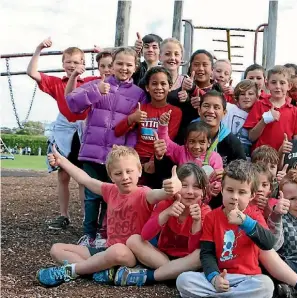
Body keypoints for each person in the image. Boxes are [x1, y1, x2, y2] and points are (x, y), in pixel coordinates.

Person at [36, 145, 182, 287]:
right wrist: (62, 161)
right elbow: (85, 179)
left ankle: (72, 271)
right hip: (108, 250)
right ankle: (102, 271)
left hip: (130, 254)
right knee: (57, 249)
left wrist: (173, 186)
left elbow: (162, 193)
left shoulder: (145, 193)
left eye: (129, 171)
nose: (125, 177)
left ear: (139, 171)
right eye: (118, 173)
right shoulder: (110, 190)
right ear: (111, 176)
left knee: (117, 250)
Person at [66, 47, 147, 247]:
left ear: (135, 68)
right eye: (119, 63)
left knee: (112, 196)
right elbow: (72, 104)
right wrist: (95, 92)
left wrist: (131, 154)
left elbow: (136, 127)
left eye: (129, 65)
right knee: (92, 196)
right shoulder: (96, 85)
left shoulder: (139, 94)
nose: (124, 68)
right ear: (112, 66)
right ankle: (88, 234)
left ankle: (105, 234)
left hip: (117, 156)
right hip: (93, 152)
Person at [176, 160, 275, 298]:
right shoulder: (212, 217)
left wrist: (245, 222)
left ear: (251, 195)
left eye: (241, 192)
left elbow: (269, 243)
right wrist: (215, 278)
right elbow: (206, 253)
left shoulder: (254, 215)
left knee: (266, 285)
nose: (234, 197)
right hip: (220, 277)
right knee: (184, 280)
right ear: (222, 190)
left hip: (246, 279)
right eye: (230, 190)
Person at [27, 37, 96, 230]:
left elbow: (110, 75)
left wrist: (102, 53)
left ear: (83, 64)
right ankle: (63, 215)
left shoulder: (90, 81)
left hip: (84, 129)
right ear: (62, 64)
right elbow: (31, 72)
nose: (72, 65)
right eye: (68, 62)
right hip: (65, 129)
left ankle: (87, 219)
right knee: (63, 175)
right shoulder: (57, 83)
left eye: (76, 62)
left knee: (83, 177)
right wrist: (39, 48)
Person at [114, 163, 211, 286]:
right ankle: (173, 274)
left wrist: (197, 222)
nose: (190, 192)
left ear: (203, 192)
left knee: (200, 254)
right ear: (176, 188)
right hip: (162, 257)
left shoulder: (205, 211)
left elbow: (193, 249)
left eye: (196, 187)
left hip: (188, 260)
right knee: (134, 240)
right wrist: (166, 213)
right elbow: (145, 235)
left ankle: (151, 276)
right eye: (184, 186)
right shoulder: (166, 203)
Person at [114, 66, 182, 187]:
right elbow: (118, 131)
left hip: (160, 159)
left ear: (170, 87)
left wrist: (152, 160)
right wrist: (132, 118)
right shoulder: (142, 109)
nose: (159, 88)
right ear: (147, 87)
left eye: (163, 83)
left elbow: (167, 140)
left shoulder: (175, 111)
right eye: (154, 84)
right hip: (138, 159)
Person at [244, 65, 297, 152]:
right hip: (260, 159)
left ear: (289, 86)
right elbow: (251, 137)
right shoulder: (259, 105)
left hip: (284, 159)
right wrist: (264, 120)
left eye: (282, 83)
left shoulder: (296, 112)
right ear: (267, 85)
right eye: (274, 82)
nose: (278, 86)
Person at [157, 114, 223, 171]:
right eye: (192, 141)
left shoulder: (214, 158)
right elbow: (165, 143)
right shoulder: (181, 152)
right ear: (186, 142)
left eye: (202, 142)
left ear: (209, 142)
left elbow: (218, 181)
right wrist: (163, 125)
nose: (197, 147)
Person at [222, 79, 258, 159]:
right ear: (237, 97)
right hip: (226, 154)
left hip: (246, 158)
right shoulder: (229, 108)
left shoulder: (259, 115)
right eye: (242, 94)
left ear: (257, 97)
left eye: (250, 94)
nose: (246, 97)